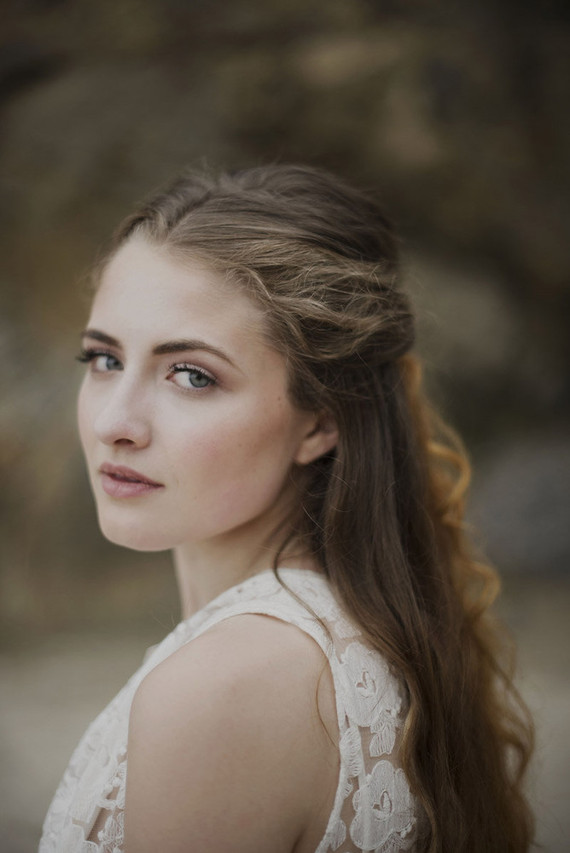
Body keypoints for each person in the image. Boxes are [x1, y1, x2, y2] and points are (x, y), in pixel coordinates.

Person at [39, 164, 534, 853]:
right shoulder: (355, 630)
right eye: (103, 359)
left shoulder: (227, 688)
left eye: (192, 374)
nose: (114, 422)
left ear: (321, 422)